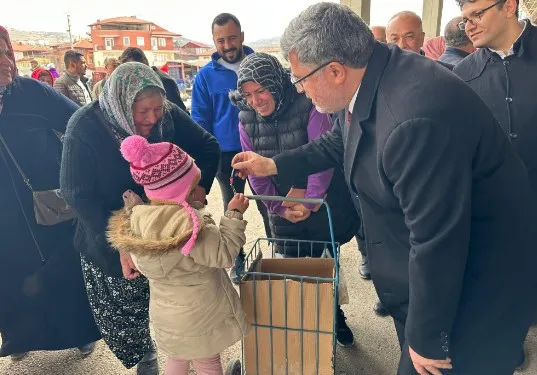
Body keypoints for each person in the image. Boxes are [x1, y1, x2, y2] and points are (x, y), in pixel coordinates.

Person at [231, 3, 537, 374]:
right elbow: (338, 142)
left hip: (474, 287)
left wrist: (426, 337)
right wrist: (274, 164)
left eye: (300, 79)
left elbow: (438, 238)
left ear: (335, 71)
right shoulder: (374, 71)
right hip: (437, 278)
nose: (299, 89)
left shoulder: (411, 120)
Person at [60, 62, 220, 375]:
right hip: (108, 237)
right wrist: (123, 243)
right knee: (134, 328)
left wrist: (198, 190)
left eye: (157, 110)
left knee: (177, 314)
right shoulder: (84, 127)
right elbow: (77, 194)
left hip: (166, 236)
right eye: (143, 111)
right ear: (121, 103)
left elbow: (208, 146)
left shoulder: (167, 113)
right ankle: (148, 364)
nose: (151, 119)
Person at [229, 52, 359, 347]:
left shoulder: (306, 103)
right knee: (293, 265)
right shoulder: (245, 117)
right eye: (248, 94)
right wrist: (277, 206)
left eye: (261, 90)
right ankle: (304, 322)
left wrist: (311, 202)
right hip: (282, 204)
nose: (256, 100)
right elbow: (256, 172)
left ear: (275, 84)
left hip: (320, 196)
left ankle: (334, 315)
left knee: (325, 262)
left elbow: (322, 156)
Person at [108, 136, 250, 375]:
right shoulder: (191, 226)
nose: (198, 193)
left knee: (177, 359)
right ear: (179, 191)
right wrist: (233, 216)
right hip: (200, 316)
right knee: (207, 362)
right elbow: (223, 254)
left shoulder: (137, 218)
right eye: (193, 188)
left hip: (166, 316)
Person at [0, 25, 100, 361]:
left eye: (5, 52)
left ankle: (81, 333)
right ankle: (19, 338)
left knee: (64, 268)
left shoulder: (31, 93)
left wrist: (77, 174)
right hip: (4, 216)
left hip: (47, 205)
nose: (5, 62)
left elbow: (81, 122)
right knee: (11, 275)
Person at [454, 1, 536, 368]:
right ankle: (510, 336)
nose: (468, 25)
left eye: (477, 15)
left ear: (509, 7)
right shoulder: (462, 73)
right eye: (465, 18)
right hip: (492, 206)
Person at [191, 13, 268, 284]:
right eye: (221, 40)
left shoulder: (260, 66)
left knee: (268, 201)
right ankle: (236, 259)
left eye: (232, 38)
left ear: (242, 36)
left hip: (261, 148)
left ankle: (279, 253)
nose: (227, 45)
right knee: (232, 204)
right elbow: (200, 121)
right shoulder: (205, 77)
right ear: (214, 41)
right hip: (226, 155)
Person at [118, 47, 188, 114]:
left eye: (134, 70)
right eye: (126, 71)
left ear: (145, 64)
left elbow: (181, 115)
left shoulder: (165, 82)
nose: (130, 75)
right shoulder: (126, 84)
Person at [387, 11, 454, 69]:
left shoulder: (440, 73)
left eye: (409, 37)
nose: (401, 45)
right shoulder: (379, 73)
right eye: (394, 39)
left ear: (421, 39)